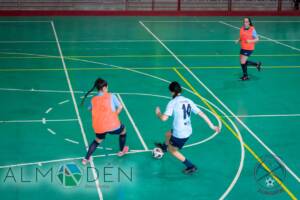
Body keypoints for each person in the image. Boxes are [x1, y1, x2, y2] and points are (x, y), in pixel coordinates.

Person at [155, 81, 220, 174]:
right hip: (188, 130)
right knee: (168, 133)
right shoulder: (188, 100)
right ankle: (164, 147)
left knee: (172, 151)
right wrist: (212, 126)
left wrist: (158, 113)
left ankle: (191, 166)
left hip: (180, 133)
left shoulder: (172, 102)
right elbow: (201, 113)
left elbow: (164, 118)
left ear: (172, 92)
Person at [81, 78, 129, 165]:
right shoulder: (111, 95)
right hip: (113, 124)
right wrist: (115, 114)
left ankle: (86, 159)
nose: (108, 88)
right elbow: (120, 107)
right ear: (104, 88)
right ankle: (121, 151)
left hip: (99, 126)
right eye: (107, 86)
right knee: (123, 131)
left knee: (97, 140)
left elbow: (89, 109)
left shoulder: (93, 99)